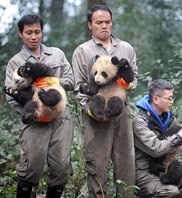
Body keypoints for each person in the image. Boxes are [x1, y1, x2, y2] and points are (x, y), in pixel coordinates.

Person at [72, 4, 138, 197]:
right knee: (97, 163)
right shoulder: (82, 51)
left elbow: (135, 78)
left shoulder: (126, 48)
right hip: (96, 111)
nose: (104, 26)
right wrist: (90, 110)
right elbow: (79, 85)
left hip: (121, 110)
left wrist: (127, 84)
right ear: (89, 25)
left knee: (126, 162)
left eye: (107, 22)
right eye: (99, 22)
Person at [4, 14, 74, 198]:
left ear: (42, 32)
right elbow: (12, 96)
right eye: (29, 33)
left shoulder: (57, 54)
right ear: (21, 33)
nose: (34, 36)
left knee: (61, 165)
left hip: (61, 117)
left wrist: (53, 82)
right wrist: (34, 112)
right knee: (31, 165)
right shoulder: (15, 62)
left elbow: (71, 80)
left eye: (37, 32)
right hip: (34, 119)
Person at [133, 79, 182, 198]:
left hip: (161, 169)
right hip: (143, 173)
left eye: (172, 98)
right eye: (169, 98)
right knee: (171, 191)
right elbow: (156, 149)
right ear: (156, 99)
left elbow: (178, 135)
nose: (171, 102)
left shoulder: (167, 117)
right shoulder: (140, 121)